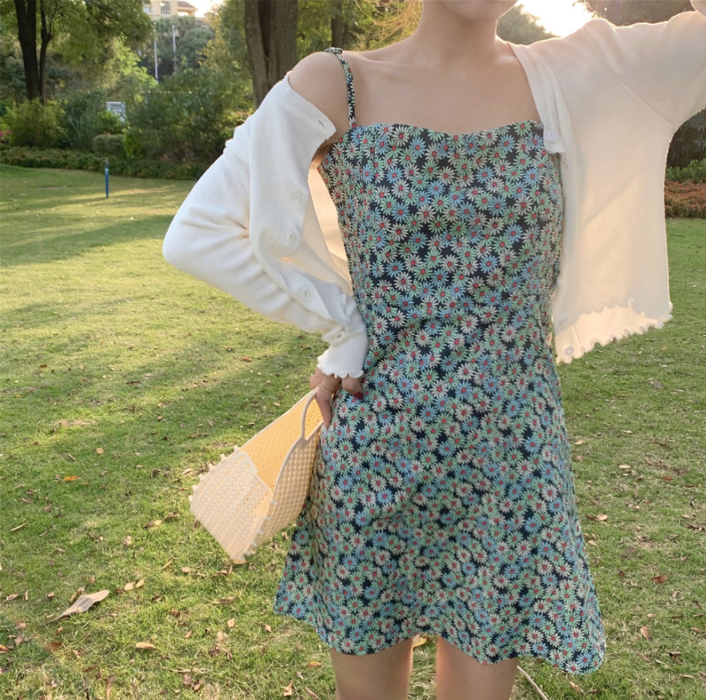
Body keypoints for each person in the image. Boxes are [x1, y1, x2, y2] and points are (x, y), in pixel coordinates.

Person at [162, 1, 706, 698]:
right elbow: (199, 232)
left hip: (510, 460)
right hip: (379, 451)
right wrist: (344, 326)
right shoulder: (336, 82)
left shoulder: (571, 72)